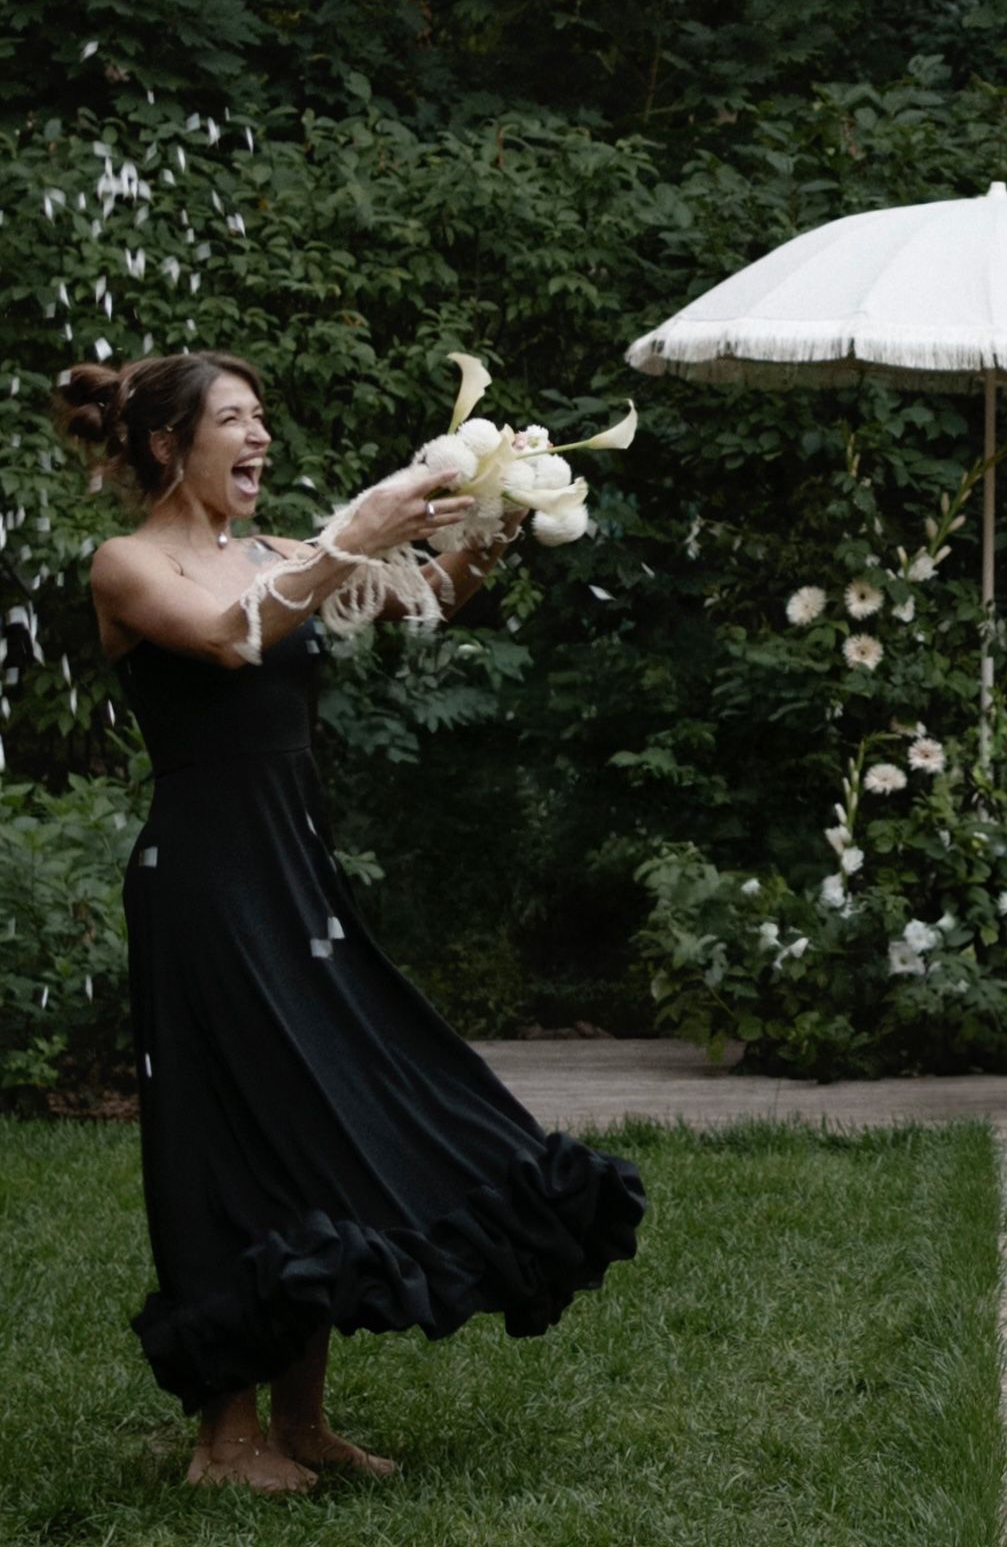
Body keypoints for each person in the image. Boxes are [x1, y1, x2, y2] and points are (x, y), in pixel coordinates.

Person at [57, 351, 646, 1494]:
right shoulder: (129, 565)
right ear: (170, 444)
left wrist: (493, 516)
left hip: (294, 865)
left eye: (262, 417)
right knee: (229, 1131)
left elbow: (417, 599)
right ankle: (224, 1441)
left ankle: (304, 1420)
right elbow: (229, 637)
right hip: (205, 877)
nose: (259, 436)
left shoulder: (279, 554)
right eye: (235, 419)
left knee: (317, 1109)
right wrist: (352, 534)